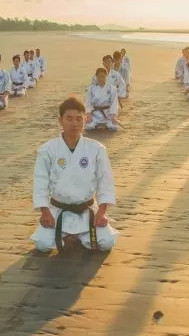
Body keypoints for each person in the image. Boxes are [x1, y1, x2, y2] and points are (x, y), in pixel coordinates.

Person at [30, 96, 119, 253]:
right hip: (58, 211)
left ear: (85, 119)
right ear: (60, 121)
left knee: (107, 242)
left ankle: (76, 237)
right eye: (69, 119)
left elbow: (105, 181)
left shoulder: (97, 149)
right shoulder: (47, 150)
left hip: (87, 210)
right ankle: (71, 237)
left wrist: (102, 212)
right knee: (42, 245)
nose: (74, 124)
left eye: (79, 119)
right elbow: (40, 183)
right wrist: (45, 212)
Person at [85, 67, 121, 131]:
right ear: (96, 76)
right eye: (99, 76)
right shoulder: (91, 88)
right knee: (88, 127)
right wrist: (89, 114)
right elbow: (88, 102)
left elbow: (114, 102)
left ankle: (102, 125)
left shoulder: (112, 88)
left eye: (103, 76)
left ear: (106, 76)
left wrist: (113, 116)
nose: (101, 78)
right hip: (95, 114)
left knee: (114, 127)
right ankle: (99, 125)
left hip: (107, 114)